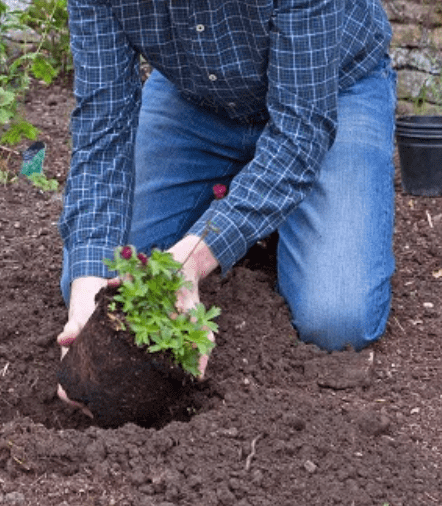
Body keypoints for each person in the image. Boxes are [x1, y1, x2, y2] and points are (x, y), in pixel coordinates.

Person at [56, 1, 397, 405]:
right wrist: (85, 308)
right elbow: (103, 129)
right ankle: (256, 202)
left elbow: (301, 132)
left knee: (336, 319)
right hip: (196, 99)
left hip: (331, 92)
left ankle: (265, 211)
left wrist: (195, 259)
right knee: (108, 272)